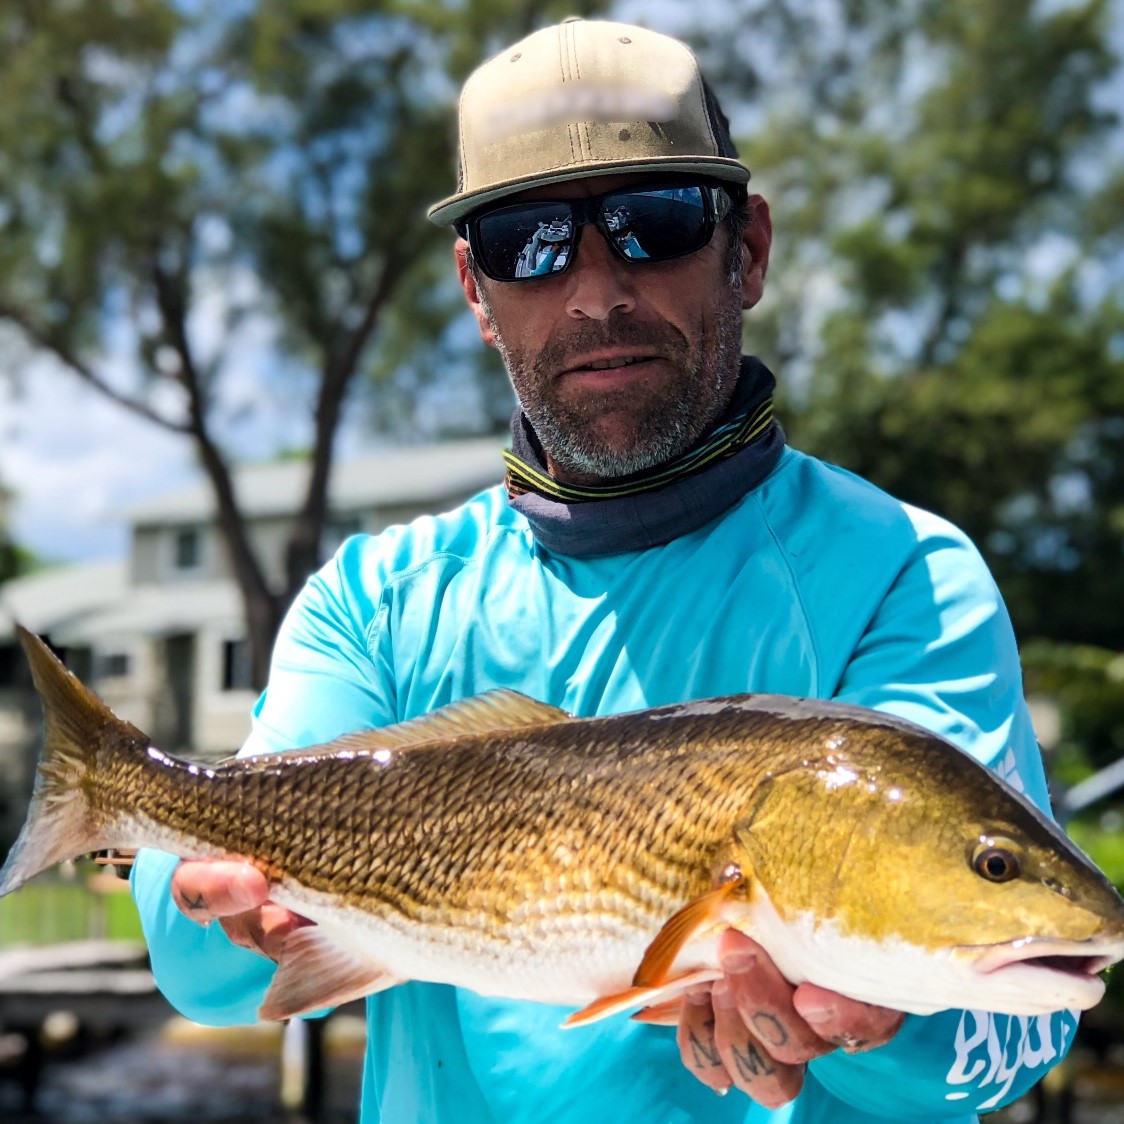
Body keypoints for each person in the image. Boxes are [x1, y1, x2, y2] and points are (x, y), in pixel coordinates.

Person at [131, 17, 1078, 1123]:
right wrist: (224, 905)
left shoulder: (907, 574)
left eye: (653, 223)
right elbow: (195, 965)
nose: (592, 292)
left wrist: (877, 1025)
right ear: (474, 290)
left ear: (749, 250)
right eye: (526, 240)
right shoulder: (373, 602)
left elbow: (1006, 1034)